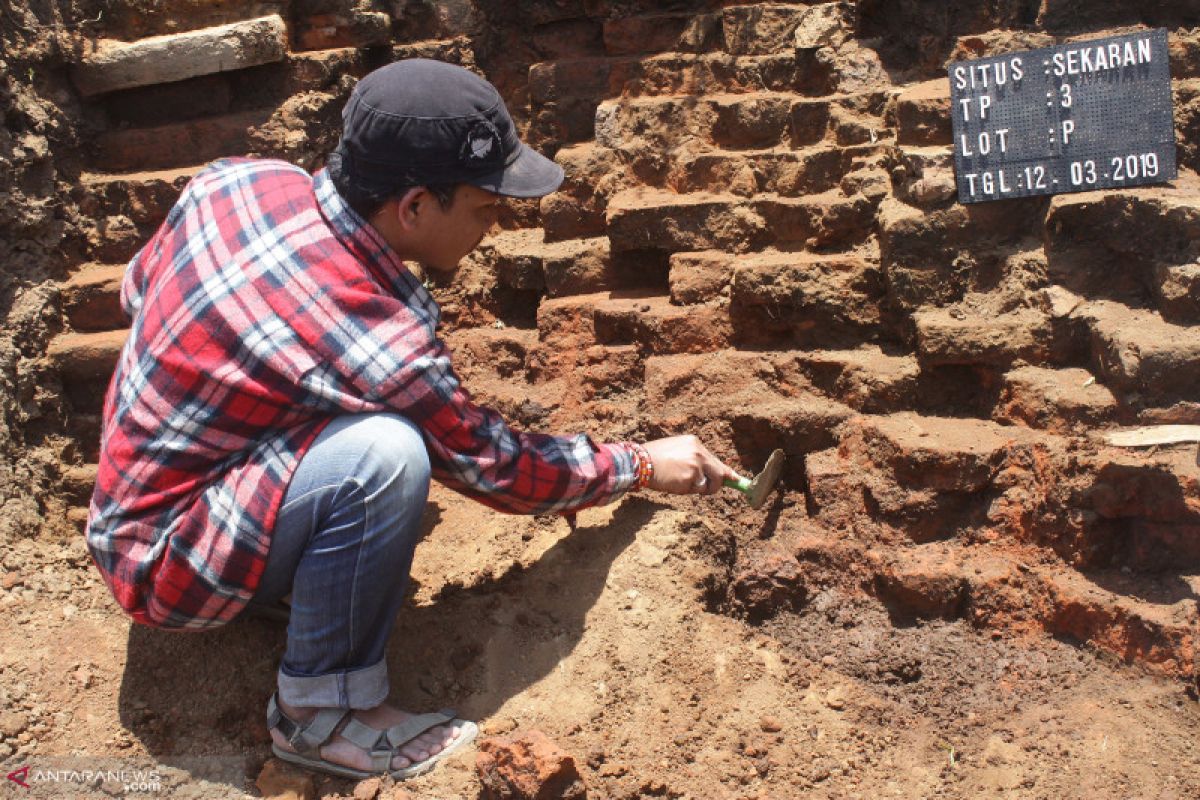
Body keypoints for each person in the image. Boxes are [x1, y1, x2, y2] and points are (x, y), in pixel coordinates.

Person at [84, 59, 739, 781]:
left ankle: (290, 584)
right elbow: (500, 469)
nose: (493, 230)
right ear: (417, 206)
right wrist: (640, 463)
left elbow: (137, 288)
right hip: (164, 567)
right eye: (486, 210)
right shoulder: (375, 335)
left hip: (131, 508)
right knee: (386, 458)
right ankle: (322, 717)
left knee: (353, 440)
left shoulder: (241, 181)